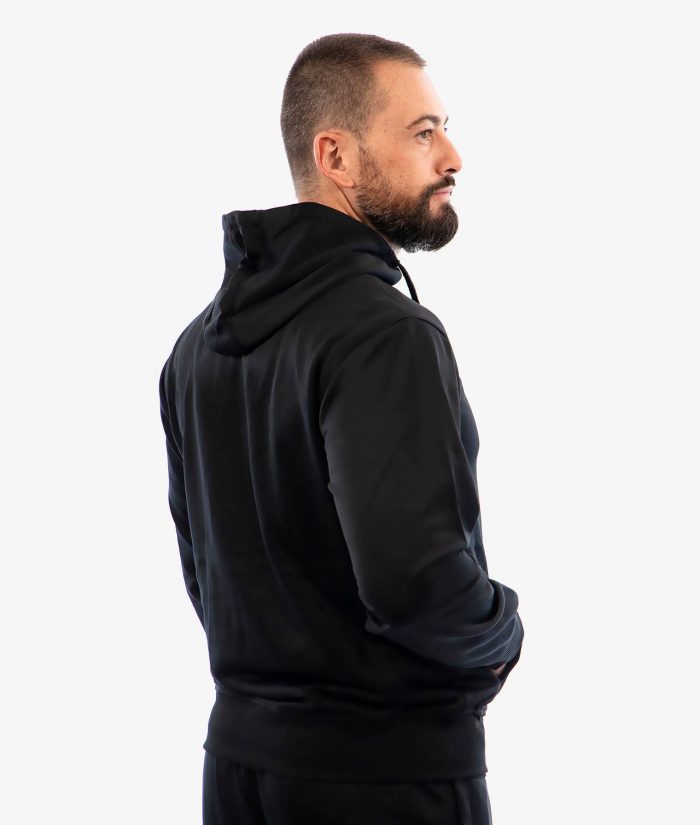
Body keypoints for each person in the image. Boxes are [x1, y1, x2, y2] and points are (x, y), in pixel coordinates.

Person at [158, 32, 524, 825]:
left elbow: (206, 578)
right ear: (336, 156)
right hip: (387, 779)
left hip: (239, 773)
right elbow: (416, 582)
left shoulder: (194, 350)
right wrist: (503, 634)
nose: (452, 156)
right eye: (422, 133)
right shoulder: (386, 334)